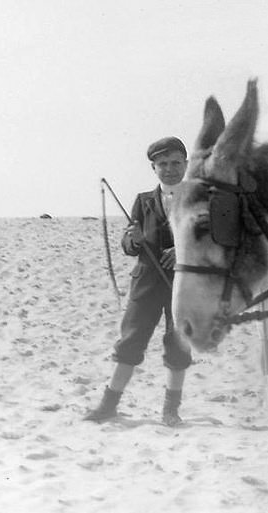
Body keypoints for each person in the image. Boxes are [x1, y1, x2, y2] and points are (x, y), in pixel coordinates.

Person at [84, 136, 193, 425]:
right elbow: (129, 243)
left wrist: (182, 250)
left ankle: (171, 410)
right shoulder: (143, 201)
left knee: (178, 344)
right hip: (145, 282)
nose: (170, 169)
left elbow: (212, 240)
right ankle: (108, 406)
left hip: (184, 285)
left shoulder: (199, 198)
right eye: (163, 164)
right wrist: (132, 240)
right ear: (153, 168)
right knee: (130, 342)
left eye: (175, 163)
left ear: (186, 164)